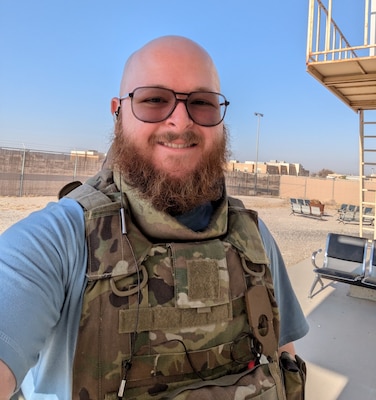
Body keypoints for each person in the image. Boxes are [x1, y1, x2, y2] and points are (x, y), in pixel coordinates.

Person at [0, 35, 308, 399]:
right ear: (118, 111)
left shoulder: (253, 237)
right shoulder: (56, 241)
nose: (180, 122)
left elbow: (282, 358)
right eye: (154, 100)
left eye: (202, 103)